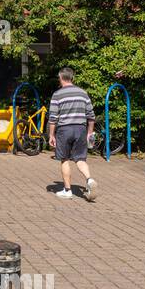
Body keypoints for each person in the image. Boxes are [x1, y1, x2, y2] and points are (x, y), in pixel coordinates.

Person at [47, 67, 97, 201]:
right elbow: (91, 115)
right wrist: (89, 133)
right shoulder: (83, 93)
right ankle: (89, 179)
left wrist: (51, 135)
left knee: (64, 159)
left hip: (64, 130)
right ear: (72, 78)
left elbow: (53, 118)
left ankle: (67, 190)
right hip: (80, 129)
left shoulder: (57, 95)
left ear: (60, 78)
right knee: (80, 159)